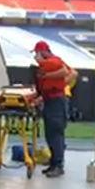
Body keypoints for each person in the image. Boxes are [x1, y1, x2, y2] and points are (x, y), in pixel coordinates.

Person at [33, 41, 74, 178]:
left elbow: (67, 72)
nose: (35, 56)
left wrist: (54, 81)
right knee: (50, 134)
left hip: (57, 101)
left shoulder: (53, 62)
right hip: (50, 100)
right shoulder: (51, 63)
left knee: (56, 133)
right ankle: (53, 163)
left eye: (37, 53)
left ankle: (58, 165)